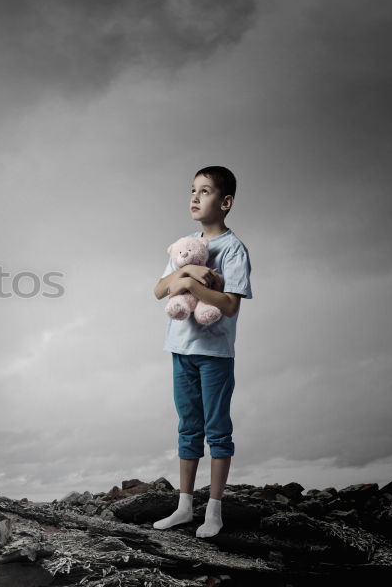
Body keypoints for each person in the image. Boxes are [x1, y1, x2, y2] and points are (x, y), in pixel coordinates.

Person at [151, 166, 253, 538]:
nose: (195, 197)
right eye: (192, 190)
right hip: (180, 350)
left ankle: (214, 511)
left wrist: (190, 280)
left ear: (225, 202)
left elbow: (228, 305)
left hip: (215, 355)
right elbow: (160, 289)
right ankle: (183, 507)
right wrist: (191, 269)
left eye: (205, 191)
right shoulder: (185, 246)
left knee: (217, 431)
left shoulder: (233, 249)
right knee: (188, 428)